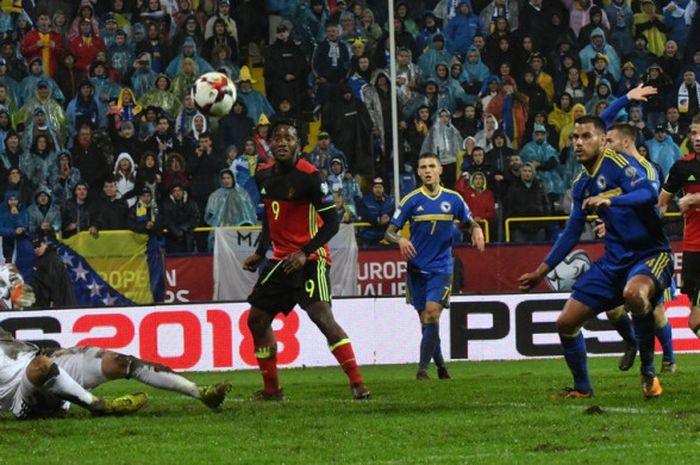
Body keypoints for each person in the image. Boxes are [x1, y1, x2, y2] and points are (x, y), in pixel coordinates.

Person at [518, 115, 672, 399]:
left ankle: (649, 373)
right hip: (614, 260)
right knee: (565, 323)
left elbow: (649, 193)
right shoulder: (581, 184)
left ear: (603, 140)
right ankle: (582, 387)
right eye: (575, 137)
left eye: (586, 136)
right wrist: (541, 271)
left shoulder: (620, 164)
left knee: (635, 294)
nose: (578, 142)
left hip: (650, 253)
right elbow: (571, 232)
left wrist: (612, 199)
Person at [0, 263, 231, 418]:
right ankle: (98, 406)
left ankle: (201, 393)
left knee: (120, 361)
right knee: (41, 365)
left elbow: (9, 272)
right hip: (21, 394)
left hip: (40, 357)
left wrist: (12, 284)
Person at [242, 121, 369, 401]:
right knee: (257, 320)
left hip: (310, 257)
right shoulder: (262, 175)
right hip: (280, 259)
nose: (282, 142)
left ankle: (358, 383)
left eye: (289, 138)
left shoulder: (311, 177)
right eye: (277, 138)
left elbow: (332, 224)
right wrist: (261, 251)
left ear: (298, 143)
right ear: (269, 144)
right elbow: (269, 217)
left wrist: (304, 252)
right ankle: (272, 390)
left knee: (321, 317)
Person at [385, 153, 485, 380]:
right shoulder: (411, 200)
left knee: (431, 313)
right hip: (416, 270)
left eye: (432, 166)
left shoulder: (454, 199)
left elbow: (469, 222)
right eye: (423, 167)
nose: (428, 170)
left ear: (440, 170)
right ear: (418, 173)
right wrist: (400, 239)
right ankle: (441, 367)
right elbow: (389, 232)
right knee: (426, 320)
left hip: (441, 268)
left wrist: (476, 229)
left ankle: (422, 370)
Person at [659, 115, 700, 351]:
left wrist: (696, 198)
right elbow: (662, 204)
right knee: (694, 321)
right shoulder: (682, 167)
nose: (698, 138)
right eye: (693, 133)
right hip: (693, 247)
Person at [30, 232, 75, 308]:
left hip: (59, 303)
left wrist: (53, 303)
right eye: (34, 247)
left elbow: (53, 282)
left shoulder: (52, 259)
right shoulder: (42, 259)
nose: (37, 249)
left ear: (45, 244)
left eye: (38, 245)